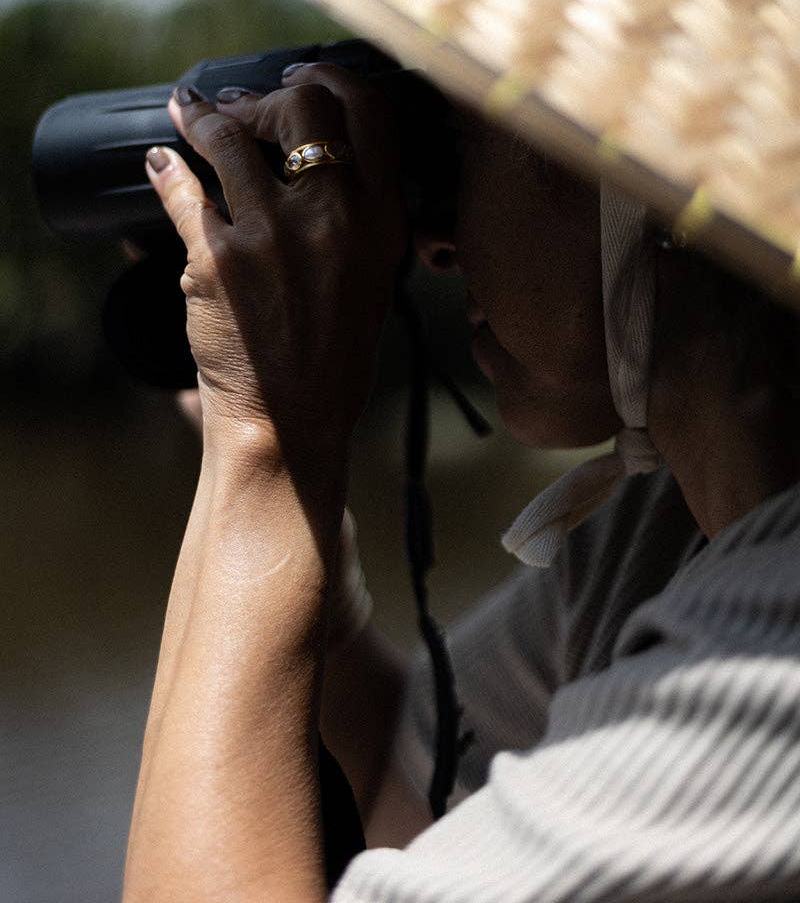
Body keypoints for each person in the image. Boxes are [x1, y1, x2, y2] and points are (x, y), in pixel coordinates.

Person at [121, 57, 800, 902]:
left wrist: (260, 443)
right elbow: (398, 798)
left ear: (654, 161)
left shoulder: (774, 652)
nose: (434, 246)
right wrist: (300, 508)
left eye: (458, 150)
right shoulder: (657, 531)